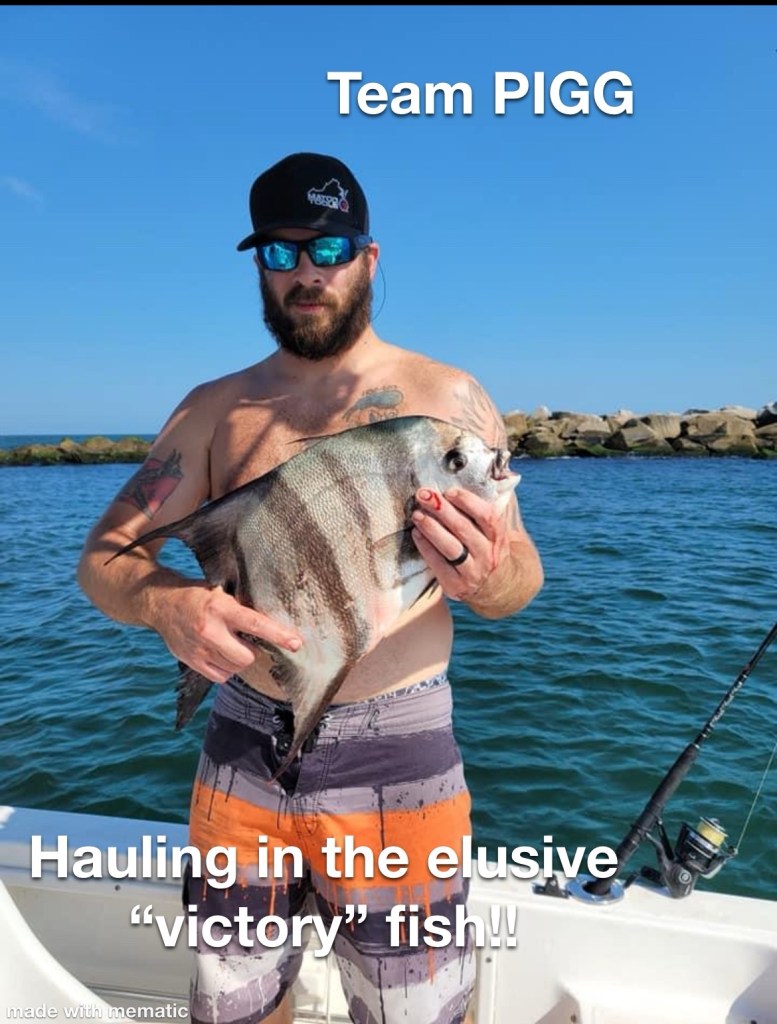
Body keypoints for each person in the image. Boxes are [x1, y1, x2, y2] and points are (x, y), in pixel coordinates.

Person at [77, 152, 544, 1024]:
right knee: (237, 1008)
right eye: (280, 252)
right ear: (258, 265)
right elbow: (103, 559)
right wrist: (165, 604)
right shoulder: (212, 411)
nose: (306, 272)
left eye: (328, 247)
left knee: (416, 1010)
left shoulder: (449, 399)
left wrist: (488, 578)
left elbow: (520, 578)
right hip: (241, 744)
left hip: (399, 751)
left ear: (368, 256)